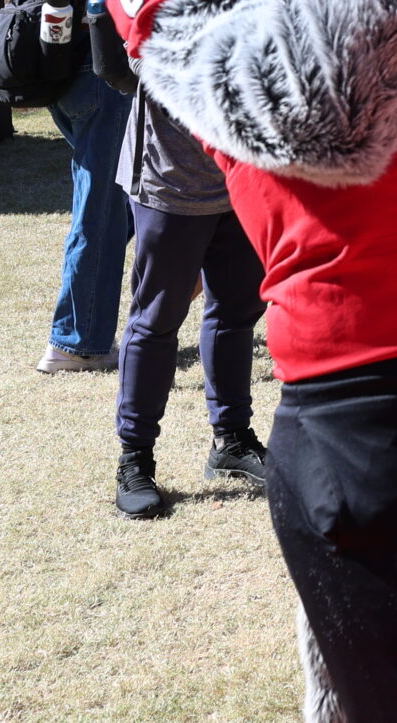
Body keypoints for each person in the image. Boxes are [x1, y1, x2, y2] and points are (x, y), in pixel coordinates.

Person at [111, 89, 270, 519]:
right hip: (170, 177)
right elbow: (135, 63)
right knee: (156, 320)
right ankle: (135, 460)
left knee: (238, 313)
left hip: (244, 176)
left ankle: (232, 441)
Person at [37, 0, 138, 373]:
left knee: (114, 206)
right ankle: (76, 343)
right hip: (103, 84)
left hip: (63, 85)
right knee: (99, 211)